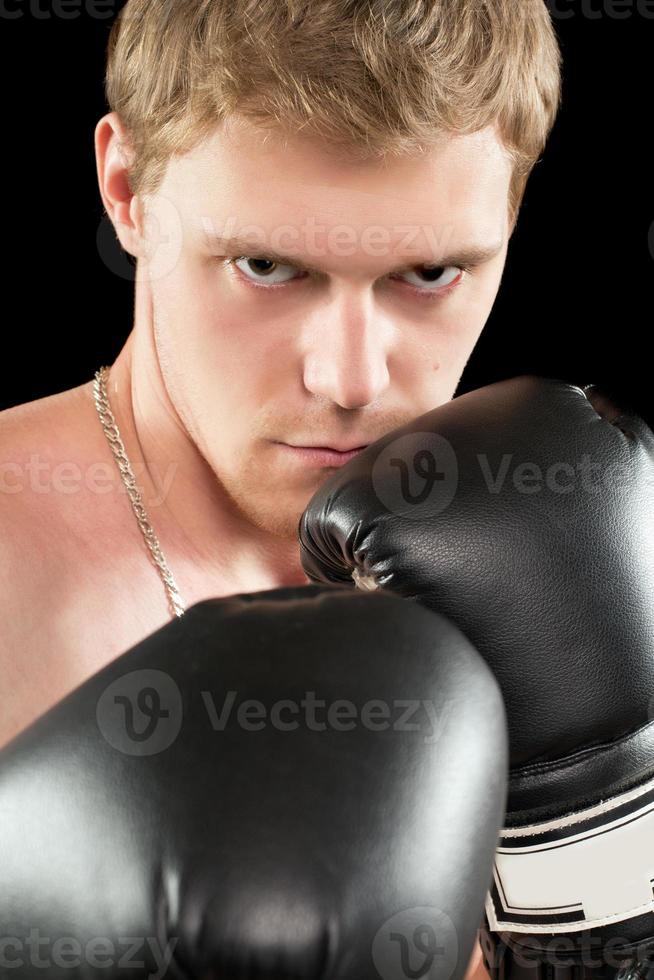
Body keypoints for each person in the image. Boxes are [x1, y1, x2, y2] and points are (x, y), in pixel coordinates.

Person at [0, 3, 562, 974]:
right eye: (267, 266)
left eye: (429, 272)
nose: (349, 379)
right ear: (128, 190)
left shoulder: (569, 572)